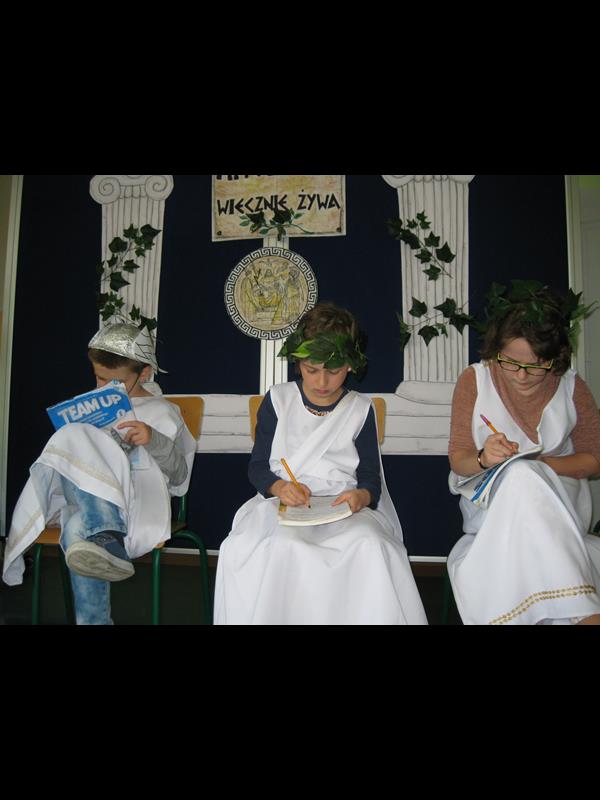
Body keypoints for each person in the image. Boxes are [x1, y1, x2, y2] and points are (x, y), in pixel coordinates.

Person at [214, 302, 428, 625]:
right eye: (312, 369)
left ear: (351, 365)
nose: (322, 382)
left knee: (370, 544)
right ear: (298, 363)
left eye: (334, 370)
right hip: (285, 504)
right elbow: (257, 467)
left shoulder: (360, 408)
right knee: (283, 545)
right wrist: (279, 487)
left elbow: (370, 476)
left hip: (343, 506)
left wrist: (362, 495)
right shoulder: (279, 400)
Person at [3, 322, 197, 625]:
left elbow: (179, 474)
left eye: (116, 382)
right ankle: (106, 533)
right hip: (86, 498)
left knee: (78, 530)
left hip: (136, 504)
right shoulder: (88, 406)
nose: (104, 387)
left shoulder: (164, 412)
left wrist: (153, 439)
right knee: (72, 434)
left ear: (144, 373)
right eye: (99, 377)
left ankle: (104, 541)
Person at [447, 282, 600, 624]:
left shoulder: (572, 386)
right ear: (496, 351)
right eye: (510, 362)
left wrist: (541, 466)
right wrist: (485, 459)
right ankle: (585, 614)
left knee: (524, 473)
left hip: (561, 504)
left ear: (556, 358)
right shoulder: (475, 380)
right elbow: (458, 458)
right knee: (518, 475)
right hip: (491, 509)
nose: (521, 375)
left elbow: (594, 458)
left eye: (536, 365)